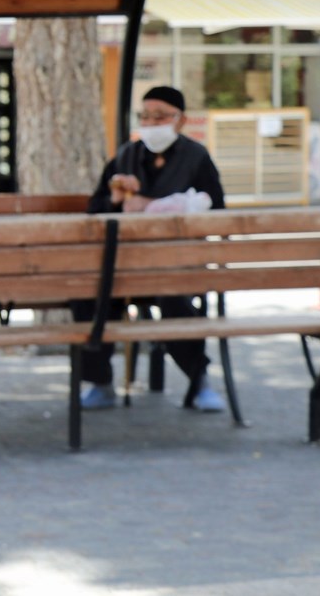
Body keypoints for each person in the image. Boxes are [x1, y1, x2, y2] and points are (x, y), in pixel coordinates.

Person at [74, 86, 227, 412]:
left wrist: (154, 205)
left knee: (174, 298)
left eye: (160, 116)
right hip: (123, 263)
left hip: (176, 263)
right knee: (88, 295)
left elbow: (216, 208)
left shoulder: (196, 157)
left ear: (180, 120)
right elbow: (95, 210)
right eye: (145, 116)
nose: (151, 123)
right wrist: (116, 199)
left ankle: (199, 381)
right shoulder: (126, 156)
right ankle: (100, 383)